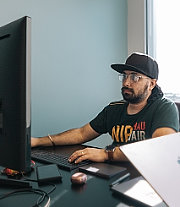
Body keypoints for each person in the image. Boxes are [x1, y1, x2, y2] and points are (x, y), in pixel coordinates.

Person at [31, 52, 179, 163]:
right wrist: (37, 142)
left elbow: (160, 149)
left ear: (152, 84)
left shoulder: (164, 107)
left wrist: (106, 154)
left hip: (145, 179)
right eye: (124, 76)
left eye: (134, 77)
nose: (126, 83)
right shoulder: (114, 109)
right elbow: (82, 133)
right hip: (113, 173)